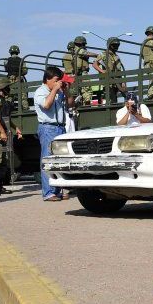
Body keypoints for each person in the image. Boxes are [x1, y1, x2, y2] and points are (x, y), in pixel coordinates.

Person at [34, 66, 74, 201]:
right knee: (47, 159)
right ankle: (48, 193)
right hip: (48, 128)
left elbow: (70, 105)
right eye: (56, 80)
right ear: (47, 79)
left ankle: (57, 190)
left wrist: (66, 90)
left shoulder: (58, 92)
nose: (58, 82)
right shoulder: (41, 91)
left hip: (60, 128)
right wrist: (56, 89)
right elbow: (46, 105)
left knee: (59, 160)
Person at [92, 37, 126, 104]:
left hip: (117, 81)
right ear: (110, 45)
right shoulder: (103, 54)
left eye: (117, 45)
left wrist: (123, 82)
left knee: (115, 99)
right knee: (111, 99)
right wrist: (102, 71)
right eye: (114, 45)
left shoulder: (116, 56)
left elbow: (119, 70)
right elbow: (95, 64)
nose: (116, 47)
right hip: (108, 81)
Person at [72, 36, 97, 105]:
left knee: (81, 90)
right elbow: (86, 53)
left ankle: (83, 103)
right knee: (87, 89)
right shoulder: (79, 50)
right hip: (82, 73)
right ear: (81, 44)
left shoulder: (75, 50)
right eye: (84, 44)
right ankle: (87, 104)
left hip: (79, 73)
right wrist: (97, 55)